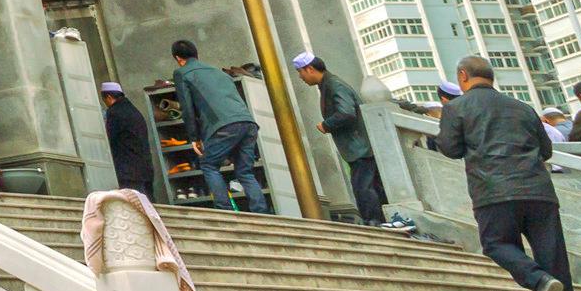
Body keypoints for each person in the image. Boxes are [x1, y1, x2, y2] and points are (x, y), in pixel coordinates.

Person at [431, 55, 578, 291]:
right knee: (554, 256)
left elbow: (450, 148)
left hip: (493, 190)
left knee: (496, 244)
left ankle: (538, 280)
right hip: (538, 191)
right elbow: (546, 151)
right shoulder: (522, 107)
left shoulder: (457, 108)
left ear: (463, 76)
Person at [170, 38, 270, 214]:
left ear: (178, 58)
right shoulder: (219, 72)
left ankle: (225, 212)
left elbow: (187, 108)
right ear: (196, 54)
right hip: (248, 123)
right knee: (245, 171)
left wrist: (194, 137)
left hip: (222, 126)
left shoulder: (182, 73)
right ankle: (261, 212)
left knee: (209, 165)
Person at [294, 50, 389, 227]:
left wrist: (326, 124)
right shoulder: (328, 85)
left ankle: (374, 222)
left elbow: (346, 113)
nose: (300, 77)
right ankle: (378, 220)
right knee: (370, 186)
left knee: (364, 187)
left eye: (300, 72)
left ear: (309, 69)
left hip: (360, 147)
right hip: (359, 147)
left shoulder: (334, 85)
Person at [100, 83, 160, 200]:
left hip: (128, 170)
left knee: (135, 205)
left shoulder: (114, 112)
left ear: (109, 97)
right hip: (145, 167)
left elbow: (111, 137)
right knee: (149, 204)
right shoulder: (134, 111)